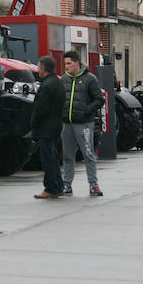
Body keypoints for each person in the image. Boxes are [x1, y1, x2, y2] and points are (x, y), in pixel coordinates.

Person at [61, 51, 103, 197]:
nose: (66, 67)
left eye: (69, 63)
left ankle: (93, 185)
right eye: (65, 64)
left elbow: (99, 99)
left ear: (77, 63)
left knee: (88, 154)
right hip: (67, 124)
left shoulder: (90, 79)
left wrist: (86, 111)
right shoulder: (64, 79)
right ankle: (67, 185)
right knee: (67, 155)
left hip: (84, 124)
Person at [31, 56, 66, 199]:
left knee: (48, 158)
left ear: (44, 68)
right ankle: (58, 185)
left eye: (38, 66)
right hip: (56, 125)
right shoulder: (58, 82)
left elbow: (41, 109)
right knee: (54, 157)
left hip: (46, 127)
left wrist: (34, 123)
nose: (37, 69)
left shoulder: (46, 85)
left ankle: (50, 188)